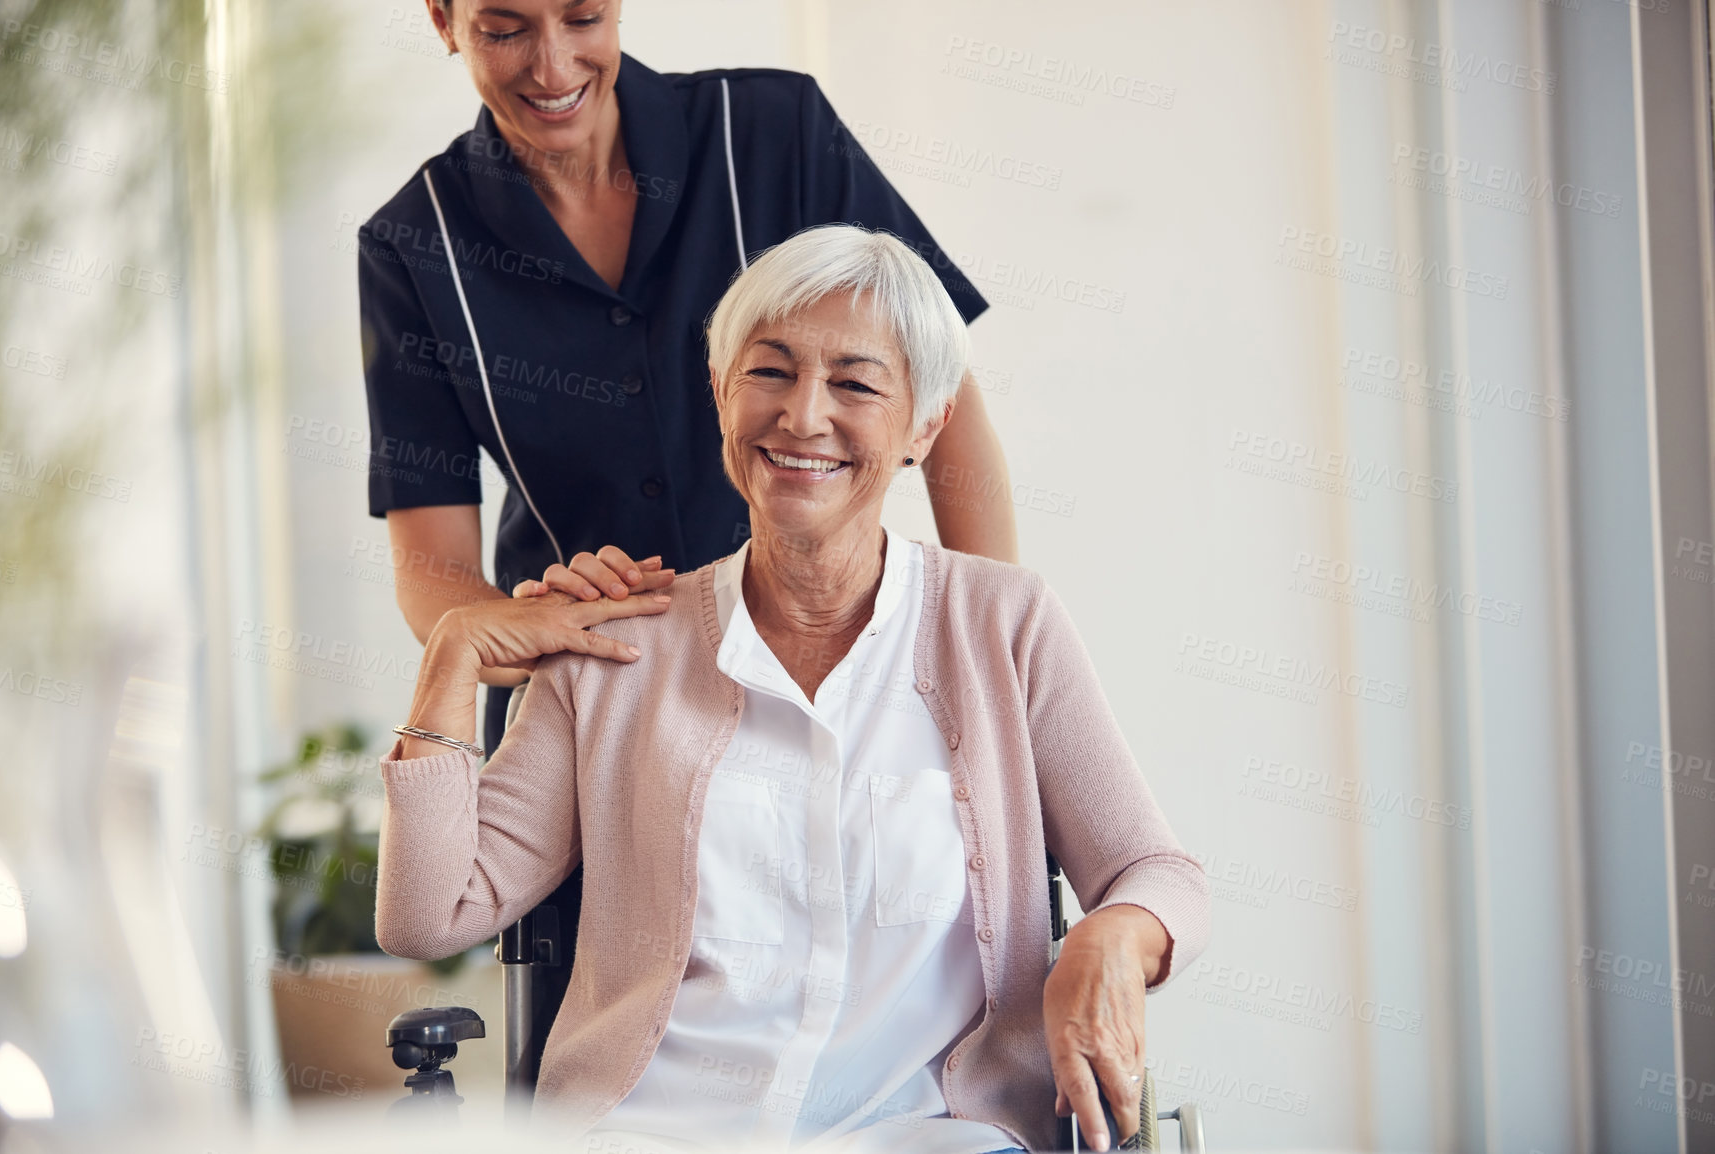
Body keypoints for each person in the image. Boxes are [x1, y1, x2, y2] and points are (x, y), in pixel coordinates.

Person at [375, 227, 1208, 1154]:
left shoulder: (1002, 625)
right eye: (769, 373)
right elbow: (426, 915)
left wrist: (1108, 941)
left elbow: (1159, 873)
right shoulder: (619, 649)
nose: (803, 417)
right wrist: (452, 655)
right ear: (723, 395)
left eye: (854, 384)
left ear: (924, 427)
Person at [359, 0, 1018, 755]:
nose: (552, 67)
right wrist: (522, 640)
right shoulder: (412, 244)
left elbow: (946, 407)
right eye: (504, 30)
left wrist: (982, 646)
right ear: (444, 21)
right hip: (587, 720)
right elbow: (432, 568)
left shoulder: (775, 133)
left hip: (830, 684)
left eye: (582, 18)